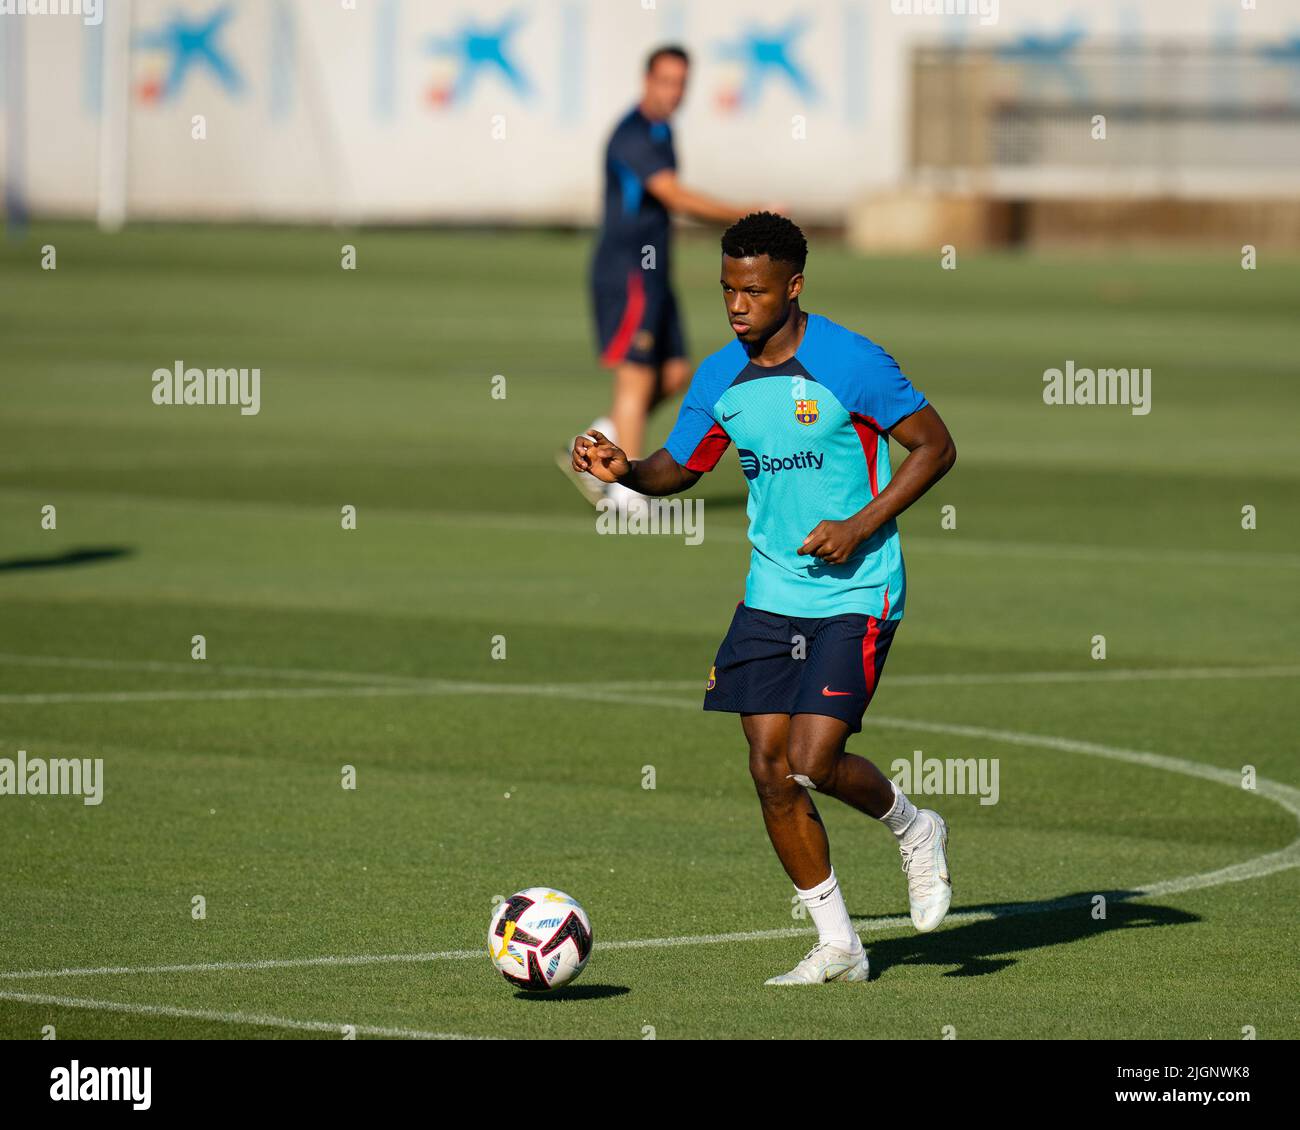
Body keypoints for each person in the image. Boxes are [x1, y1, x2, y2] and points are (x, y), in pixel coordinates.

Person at [571, 212, 957, 985]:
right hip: (770, 593)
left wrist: (858, 525)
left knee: (814, 758)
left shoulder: (850, 362)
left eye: (752, 290)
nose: (736, 305)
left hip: (858, 587)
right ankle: (839, 944)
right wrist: (624, 469)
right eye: (726, 290)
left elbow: (935, 446)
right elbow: (680, 467)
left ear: (793, 286)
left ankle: (916, 829)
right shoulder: (720, 377)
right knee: (768, 769)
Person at [560, 44, 766, 514]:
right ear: (646, 80)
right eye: (665, 81)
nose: (673, 92)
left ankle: (603, 439)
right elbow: (672, 195)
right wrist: (745, 216)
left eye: (681, 83)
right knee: (635, 381)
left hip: (654, 273)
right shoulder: (633, 134)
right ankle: (624, 490)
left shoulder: (662, 130)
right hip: (627, 273)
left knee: (674, 373)